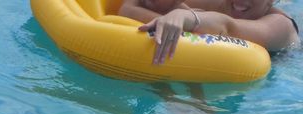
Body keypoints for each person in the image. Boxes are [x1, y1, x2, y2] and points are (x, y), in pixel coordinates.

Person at [128, 0, 298, 64]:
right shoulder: (216, 3)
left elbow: (229, 28)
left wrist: (187, 17)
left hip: (282, 60)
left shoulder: (281, 26)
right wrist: (166, 20)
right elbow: (130, 8)